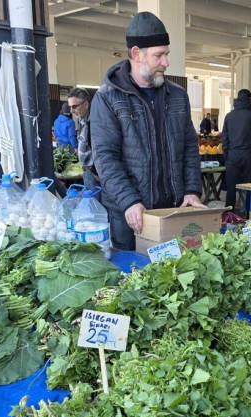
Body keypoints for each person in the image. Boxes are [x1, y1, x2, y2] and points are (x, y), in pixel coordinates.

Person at [90, 11, 206, 251]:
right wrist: (129, 201)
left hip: (172, 211)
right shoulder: (107, 98)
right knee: (132, 278)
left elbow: (190, 149)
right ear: (136, 54)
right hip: (131, 215)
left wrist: (193, 190)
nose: (166, 62)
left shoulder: (177, 96)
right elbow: (105, 157)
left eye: (166, 54)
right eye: (158, 55)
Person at [221, 89, 251, 209]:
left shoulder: (229, 116)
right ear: (249, 100)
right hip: (248, 155)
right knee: (249, 186)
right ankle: (248, 213)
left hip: (232, 154)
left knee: (231, 187)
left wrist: (227, 155)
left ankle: (229, 212)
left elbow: (224, 138)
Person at [67, 88, 98, 189]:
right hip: (88, 171)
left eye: (74, 106)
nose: (72, 111)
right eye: (70, 107)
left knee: (94, 202)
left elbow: (101, 148)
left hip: (94, 174)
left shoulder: (95, 122)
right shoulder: (83, 121)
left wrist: (95, 170)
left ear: (86, 104)